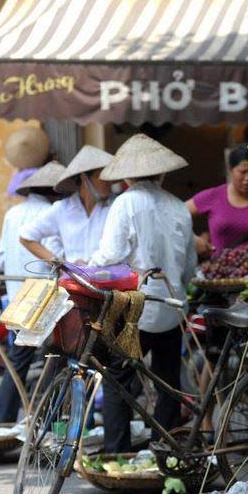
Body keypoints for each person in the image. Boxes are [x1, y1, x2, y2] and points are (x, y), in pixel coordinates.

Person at [87, 134, 197, 452]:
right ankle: (164, 451)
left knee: (118, 380)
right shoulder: (178, 206)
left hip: (134, 309)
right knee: (168, 385)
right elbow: (188, 266)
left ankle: (117, 452)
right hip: (173, 307)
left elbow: (109, 256)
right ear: (161, 174)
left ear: (127, 176)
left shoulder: (126, 202)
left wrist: (86, 268)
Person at [0, 161, 65, 423]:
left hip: (17, 296)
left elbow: (1, 256)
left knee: (19, 359)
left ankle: (3, 418)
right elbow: (58, 257)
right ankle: (49, 417)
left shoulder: (13, 214)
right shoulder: (52, 212)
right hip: (43, 296)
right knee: (56, 357)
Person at [20, 145, 114, 264]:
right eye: (102, 177)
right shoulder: (62, 209)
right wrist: (60, 265)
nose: (109, 182)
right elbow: (26, 236)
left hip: (109, 280)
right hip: (74, 281)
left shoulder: (115, 206)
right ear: (84, 178)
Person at [186, 144, 248, 258]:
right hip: (219, 271)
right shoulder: (213, 196)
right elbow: (176, 215)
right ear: (230, 170)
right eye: (243, 172)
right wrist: (193, 239)